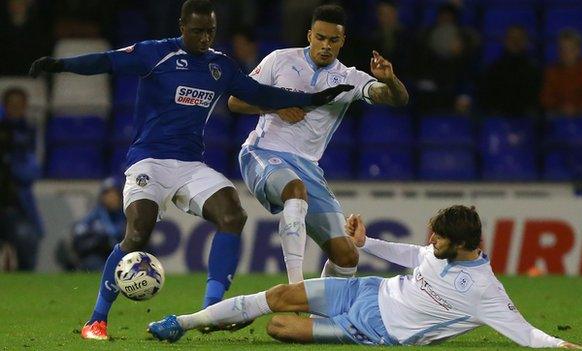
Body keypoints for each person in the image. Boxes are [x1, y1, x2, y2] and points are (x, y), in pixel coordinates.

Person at [29, 0, 352, 341]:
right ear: (182, 26)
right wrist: (60, 64)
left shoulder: (219, 66)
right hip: (149, 161)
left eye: (210, 32)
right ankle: (96, 320)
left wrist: (316, 99)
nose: (204, 39)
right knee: (138, 232)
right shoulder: (155, 53)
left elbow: (261, 93)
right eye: (197, 31)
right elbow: (106, 61)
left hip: (189, 166)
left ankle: (210, 309)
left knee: (232, 214)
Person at [147, 205, 582, 349]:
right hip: (367, 289)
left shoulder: (485, 291)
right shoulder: (437, 250)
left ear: (464, 244)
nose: (431, 242)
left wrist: (565, 345)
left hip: (373, 328)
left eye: (440, 240)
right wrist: (366, 243)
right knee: (279, 294)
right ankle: (182, 323)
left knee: (279, 326)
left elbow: (526, 333)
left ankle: (236, 315)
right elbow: (415, 253)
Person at [230, 4, 409, 286]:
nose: (326, 46)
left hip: (308, 167)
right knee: (294, 190)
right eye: (320, 38)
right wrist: (276, 108)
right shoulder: (279, 60)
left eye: (333, 40)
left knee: (347, 256)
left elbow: (396, 99)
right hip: (263, 153)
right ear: (310, 35)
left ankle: (322, 318)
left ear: (342, 41)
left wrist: (390, 80)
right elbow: (235, 101)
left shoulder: (350, 79)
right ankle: (295, 287)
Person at [0, 87, 43, 271]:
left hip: (16, 205)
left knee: (27, 239)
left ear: (25, 106)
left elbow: (30, 173)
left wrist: (10, 161)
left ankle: (26, 283)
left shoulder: (28, 132)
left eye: (20, 105)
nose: (16, 109)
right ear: (5, 106)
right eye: (12, 105)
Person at [57, 177, 125, 271]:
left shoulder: (126, 216)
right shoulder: (93, 217)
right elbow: (78, 237)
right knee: (95, 264)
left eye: (115, 194)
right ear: (102, 197)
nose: (112, 198)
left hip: (122, 257)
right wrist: (98, 239)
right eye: (108, 194)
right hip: (98, 256)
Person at [479, 26, 542, 117]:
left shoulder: (533, 69)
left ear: (525, 42)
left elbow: (536, 99)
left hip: (526, 120)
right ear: (505, 41)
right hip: (499, 118)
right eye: (511, 38)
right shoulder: (494, 69)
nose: (515, 42)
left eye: (519, 39)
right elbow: (487, 97)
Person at [540, 29, 582, 117]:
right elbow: (546, 97)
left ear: (578, 50)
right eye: (562, 49)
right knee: (548, 116)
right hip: (558, 112)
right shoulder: (551, 72)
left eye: (570, 48)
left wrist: (577, 108)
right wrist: (560, 107)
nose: (566, 53)